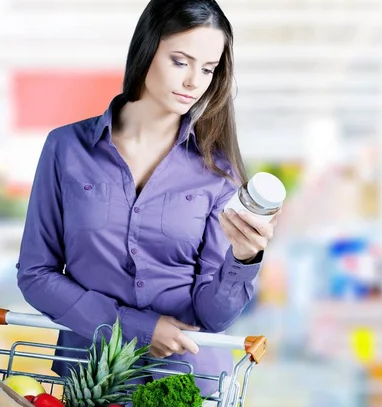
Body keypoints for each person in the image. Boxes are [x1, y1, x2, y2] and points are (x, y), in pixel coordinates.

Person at [16, 0, 278, 397]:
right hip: (91, 381)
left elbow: (215, 316)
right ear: (146, 49)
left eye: (208, 69)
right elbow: (36, 274)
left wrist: (243, 260)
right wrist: (136, 327)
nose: (194, 81)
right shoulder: (66, 148)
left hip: (189, 383)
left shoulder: (218, 171)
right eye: (180, 61)